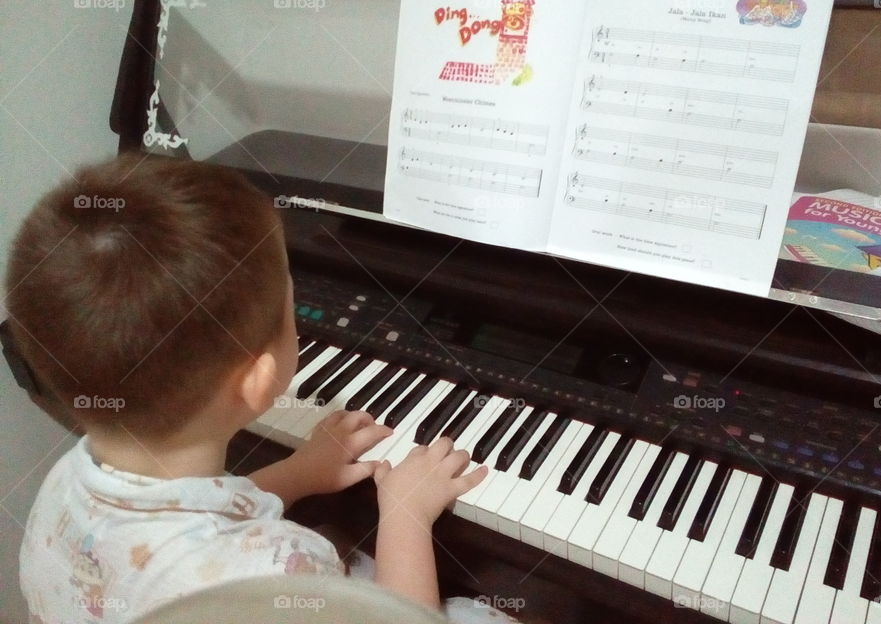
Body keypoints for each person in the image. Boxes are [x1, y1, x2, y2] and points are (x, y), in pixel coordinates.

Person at [8, 154, 512, 623]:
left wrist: (297, 473)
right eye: (291, 308)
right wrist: (406, 513)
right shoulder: (279, 569)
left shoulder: (65, 480)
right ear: (258, 379)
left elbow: (196, 514)